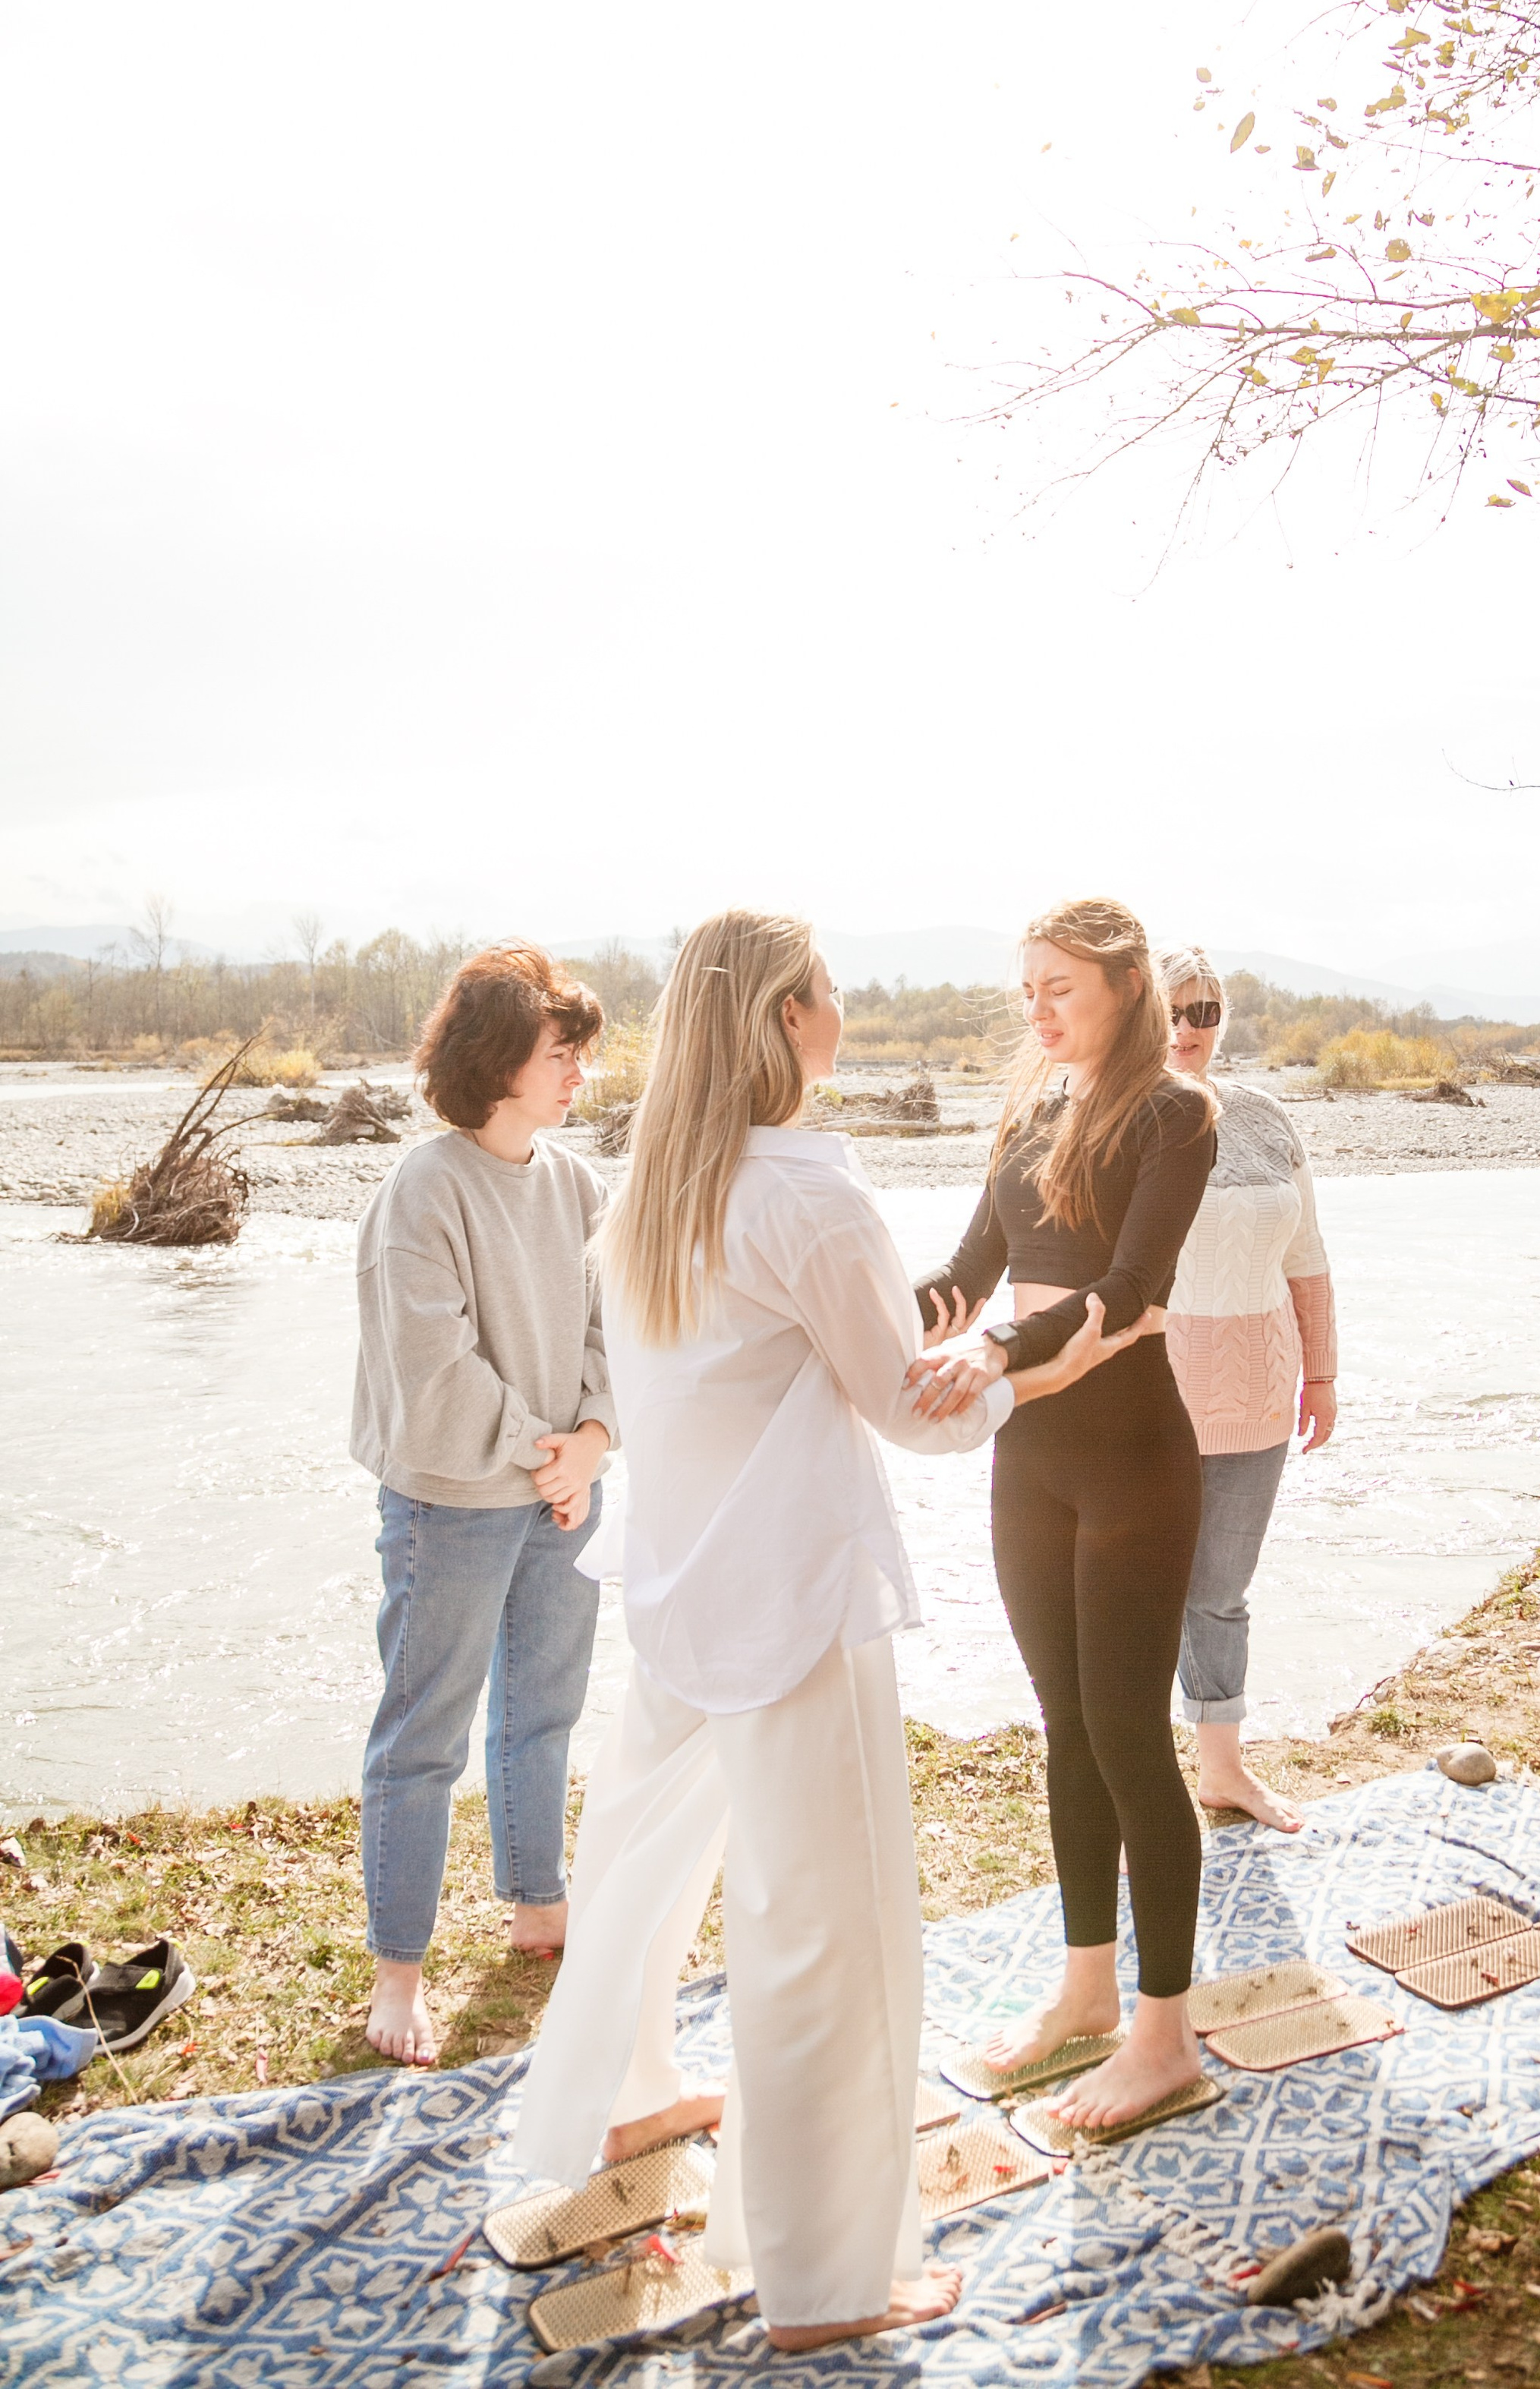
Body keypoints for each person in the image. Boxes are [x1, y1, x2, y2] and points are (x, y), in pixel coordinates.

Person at [510, 909, 1144, 2353]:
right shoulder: (806, 1191)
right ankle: (828, 2284)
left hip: (674, 1591)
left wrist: (936, 1339)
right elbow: (912, 1416)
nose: (845, 1010)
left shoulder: (655, 1188)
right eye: (835, 991)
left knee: (643, 1864)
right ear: (790, 1018)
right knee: (828, 1938)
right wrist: (1039, 1370)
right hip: (791, 1605)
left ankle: (632, 2095)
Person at [912, 896, 1217, 2137]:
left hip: (1136, 1458)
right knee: (1065, 1728)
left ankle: (1167, 2036)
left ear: (1128, 985)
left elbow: (1128, 1289)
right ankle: (1088, 1990)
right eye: (1026, 989)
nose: (1037, 1011)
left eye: (1061, 989)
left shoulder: (1176, 1114)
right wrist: (841, 1314)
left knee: (1132, 1735)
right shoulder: (1033, 1108)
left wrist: (991, 1353)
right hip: (1029, 1458)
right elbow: (964, 1275)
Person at [351, 944, 613, 2068]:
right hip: (450, 1500)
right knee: (424, 1737)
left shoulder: (578, 1183)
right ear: (500, 1062)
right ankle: (398, 1969)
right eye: (563, 1056)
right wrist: (544, 1454)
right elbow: (432, 1361)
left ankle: (539, 1905)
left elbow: (618, 1333)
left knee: (542, 1712)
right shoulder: (425, 1186)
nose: (580, 1076)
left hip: (565, 1492)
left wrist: (594, 1442)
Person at [1156, 948, 1338, 1835]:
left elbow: (1307, 1261)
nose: (1190, 1028)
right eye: (1173, 1009)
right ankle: (1137, 1785)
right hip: (1144, 1398)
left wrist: (1323, 1375)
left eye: (1206, 1010)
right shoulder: (1111, 1118)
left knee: (1219, 1592)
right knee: (1137, 1593)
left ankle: (1222, 1771)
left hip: (1259, 1392)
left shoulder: (1267, 1121)